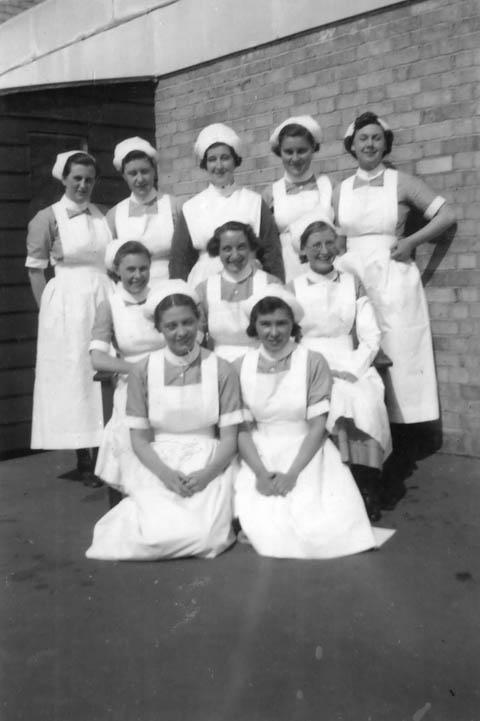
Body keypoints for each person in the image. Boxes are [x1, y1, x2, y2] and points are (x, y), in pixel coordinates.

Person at [333, 111, 455, 506]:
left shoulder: (402, 182)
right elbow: (334, 234)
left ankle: (398, 454)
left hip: (394, 279)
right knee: (359, 359)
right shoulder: (341, 189)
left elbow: (447, 214)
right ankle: (363, 453)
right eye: (362, 139)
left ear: (385, 144)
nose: (369, 145)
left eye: (376, 138)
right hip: (352, 275)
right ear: (351, 146)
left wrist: (411, 242)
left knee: (399, 360)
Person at [86, 280, 243, 561]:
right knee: (153, 536)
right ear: (159, 328)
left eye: (187, 322)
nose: (181, 332)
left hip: (209, 461)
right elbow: (139, 439)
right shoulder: (143, 371)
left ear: (198, 322)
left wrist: (206, 474)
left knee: (206, 537)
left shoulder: (221, 368)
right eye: (171, 326)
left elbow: (230, 437)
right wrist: (167, 475)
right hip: (159, 463)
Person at [234, 286, 393, 559]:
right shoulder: (240, 365)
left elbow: (318, 426)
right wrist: (260, 473)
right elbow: (242, 430)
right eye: (265, 324)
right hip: (258, 453)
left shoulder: (312, 361)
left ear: (293, 326)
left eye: (282, 323)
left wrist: (293, 474)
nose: (274, 332)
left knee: (316, 522)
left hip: (306, 449)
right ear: (254, 327)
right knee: (264, 514)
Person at [289, 215, 392, 521]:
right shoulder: (292, 287)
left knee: (365, 399)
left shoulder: (351, 281)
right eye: (315, 245)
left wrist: (357, 366)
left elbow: (371, 333)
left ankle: (365, 486)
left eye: (329, 242)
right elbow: (288, 336)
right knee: (330, 401)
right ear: (303, 251)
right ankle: (331, 489)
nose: (323, 250)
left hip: (350, 359)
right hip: (309, 360)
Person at [26, 150, 112, 485]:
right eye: (76, 178)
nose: (83, 185)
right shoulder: (47, 218)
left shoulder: (103, 215)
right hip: (66, 304)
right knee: (76, 373)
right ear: (64, 178)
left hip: (102, 294)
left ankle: (107, 452)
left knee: (103, 368)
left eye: (89, 179)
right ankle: (84, 457)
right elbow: (36, 271)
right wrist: (48, 310)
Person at [90, 240, 165, 492]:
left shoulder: (162, 298)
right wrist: (136, 369)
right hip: (132, 381)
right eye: (130, 269)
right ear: (117, 271)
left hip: (170, 376)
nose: (137, 276)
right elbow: (98, 359)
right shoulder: (109, 305)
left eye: (143, 269)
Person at [169, 123, 284, 285]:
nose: (219, 166)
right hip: (205, 282)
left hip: (250, 281)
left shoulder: (254, 202)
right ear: (204, 164)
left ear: (235, 160)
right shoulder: (191, 208)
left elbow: (271, 254)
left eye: (225, 158)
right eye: (212, 160)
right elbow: (179, 261)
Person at [195, 221, 281, 363]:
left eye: (241, 247)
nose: (235, 255)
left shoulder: (270, 284)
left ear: (251, 248)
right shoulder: (204, 289)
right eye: (227, 249)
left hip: (262, 362)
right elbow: (196, 337)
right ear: (218, 251)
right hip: (218, 365)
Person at [264, 115, 333, 282]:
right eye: (288, 152)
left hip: (327, 266)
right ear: (280, 152)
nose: (295, 158)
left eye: (302, 150)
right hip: (288, 269)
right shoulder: (270, 193)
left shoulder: (330, 186)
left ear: (313, 149)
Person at [106, 136, 180, 285]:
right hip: (132, 290)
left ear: (154, 171)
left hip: (170, 284)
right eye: (132, 173)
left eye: (145, 171)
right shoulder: (114, 214)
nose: (140, 179)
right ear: (124, 176)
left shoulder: (174, 206)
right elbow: (109, 264)